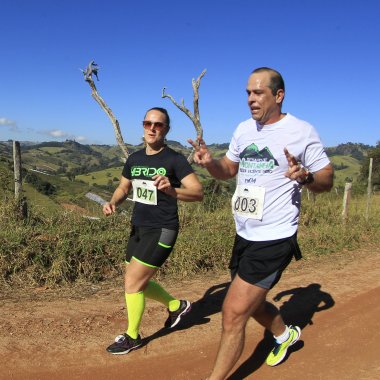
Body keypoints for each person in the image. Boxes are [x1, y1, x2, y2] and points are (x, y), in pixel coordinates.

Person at [189, 67, 334, 379]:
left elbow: (327, 179)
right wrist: (210, 163)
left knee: (233, 312)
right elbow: (228, 170)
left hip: (275, 238)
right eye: (247, 93)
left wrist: (306, 177)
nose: (250, 99)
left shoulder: (301, 131)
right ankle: (285, 335)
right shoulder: (244, 129)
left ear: (278, 96)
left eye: (258, 93)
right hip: (244, 234)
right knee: (253, 304)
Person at [103, 107, 203, 355]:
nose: (152, 128)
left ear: (166, 129)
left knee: (133, 282)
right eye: (147, 123)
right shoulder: (135, 159)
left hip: (163, 228)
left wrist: (173, 191)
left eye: (158, 124)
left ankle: (132, 336)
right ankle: (176, 305)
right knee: (137, 280)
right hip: (138, 227)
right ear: (143, 126)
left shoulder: (174, 160)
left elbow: (198, 192)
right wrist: (113, 202)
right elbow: (123, 187)